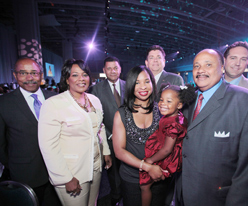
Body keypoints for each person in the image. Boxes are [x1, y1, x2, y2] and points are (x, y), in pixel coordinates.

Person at [176, 49, 248, 206]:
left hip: (218, 199)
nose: (200, 70)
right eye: (196, 66)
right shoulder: (189, 101)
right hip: (184, 194)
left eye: (208, 65)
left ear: (222, 68)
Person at [38, 59, 112, 206]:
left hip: (95, 166)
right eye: (75, 75)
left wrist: (106, 152)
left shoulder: (94, 100)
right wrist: (65, 178)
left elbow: (100, 126)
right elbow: (48, 146)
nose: (81, 79)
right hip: (73, 172)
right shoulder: (53, 104)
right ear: (67, 78)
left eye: (85, 74)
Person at [0, 58, 60, 205]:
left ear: (41, 75)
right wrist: (14, 165)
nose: (29, 78)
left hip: (58, 172)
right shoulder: (4, 103)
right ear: (15, 75)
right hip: (25, 174)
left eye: (34, 73)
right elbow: (1, 143)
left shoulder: (55, 99)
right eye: (23, 73)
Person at [113, 65, 171, 206]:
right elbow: (119, 151)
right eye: (137, 83)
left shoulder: (162, 111)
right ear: (131, 86)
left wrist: (156, 169)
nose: (143, 87)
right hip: (132, 178)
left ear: (152, 83)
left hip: (158, 176)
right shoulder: (121, 114)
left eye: (146, 81)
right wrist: (147, 167)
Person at [139, 83, 196, 206]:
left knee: (144, 186)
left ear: (179, 105)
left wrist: (150, 160)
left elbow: (167, 149)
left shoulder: (173, 125)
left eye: (169, 101)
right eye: (161, 100)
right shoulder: (175, 117)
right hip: (162, 150)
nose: (162, 103)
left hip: (166, 158)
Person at [89, 56, 125, 206]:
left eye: (115, 68)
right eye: (109, 68)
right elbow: (96, 117)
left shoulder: (128, 85)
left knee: (129, 169)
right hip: (108, 137)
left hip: (130, 137)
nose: (113, 71)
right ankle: (116, 196)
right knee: (113, 171)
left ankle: (128, 195)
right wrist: (110, 134)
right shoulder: (96, 89)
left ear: (120, 69)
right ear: (104, 71)